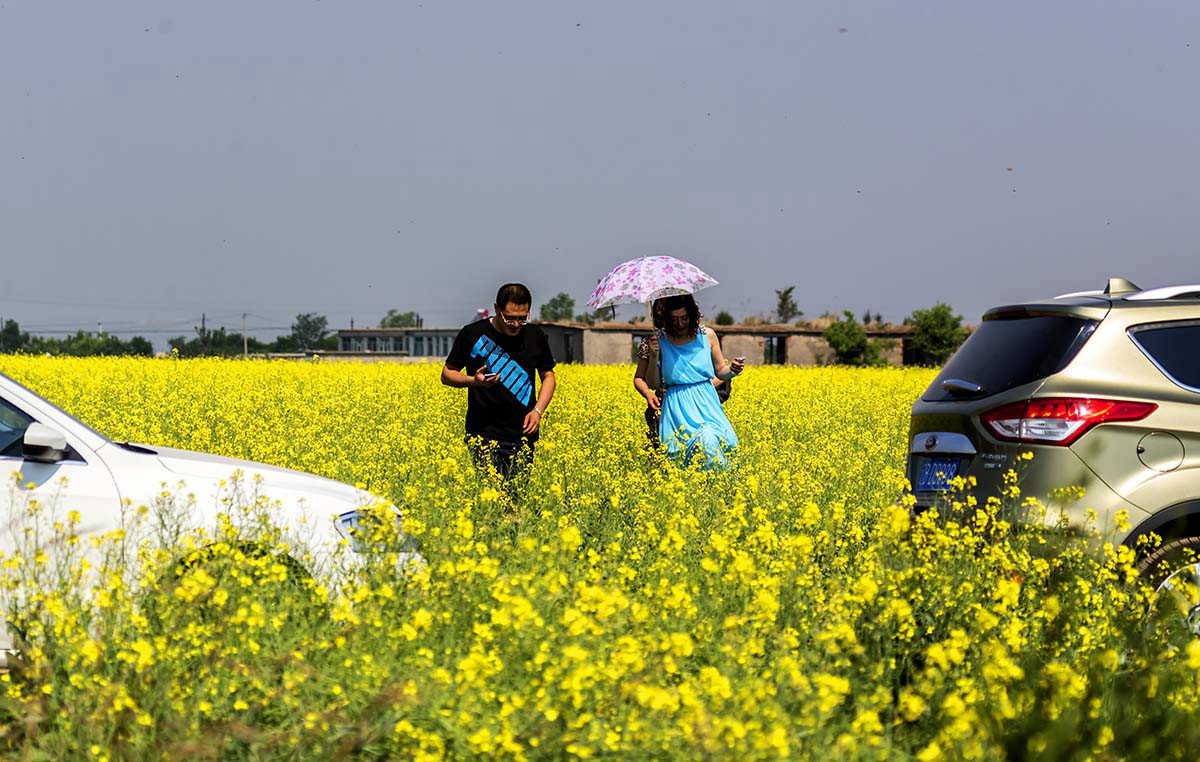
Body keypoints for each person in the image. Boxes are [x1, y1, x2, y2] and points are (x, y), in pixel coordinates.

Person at [442, 283, 556, 486]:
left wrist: (538, 411)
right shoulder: (472, 333)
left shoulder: (534, 335)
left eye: (523, 318)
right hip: (483, 434)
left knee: (516, 498)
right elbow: (447, 374)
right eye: (510, 317)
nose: (515, 324)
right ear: (497, 309)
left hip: (523, 434)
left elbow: (548, 376)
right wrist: (473, 382)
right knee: (491, 497)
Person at [634, 294, 742, 469]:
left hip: (706, 402)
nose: (680, 324)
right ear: (666, 318)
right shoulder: (658, 341)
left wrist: (733, 371)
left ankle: (721, 489)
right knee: (686, 454)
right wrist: (654, 356)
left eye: (684, 318)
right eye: (674, 319)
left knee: (713, 439)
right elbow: (653, 383)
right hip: (677, 405)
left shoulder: (708, 335)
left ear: (692, 315)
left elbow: (721, 371)